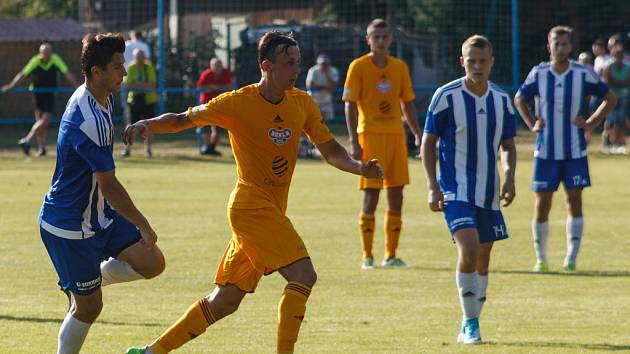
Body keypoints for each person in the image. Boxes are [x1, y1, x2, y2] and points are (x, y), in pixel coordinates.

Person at [123, 31, 383, 354]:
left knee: (225, 301)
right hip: (249, 207)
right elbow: (181, 120)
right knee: (304, 274)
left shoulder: (301, 103)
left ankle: (151, 352)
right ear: (267, 65)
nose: (296, 69)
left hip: (269, 210)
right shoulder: (237, 102)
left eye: (298, 62)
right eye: (289, 63)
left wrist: (360, 168)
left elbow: (330, 151)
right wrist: (147, 123)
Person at [39, 33, 165, 354]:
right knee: (90, 309)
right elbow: (109, 186)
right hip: (69, 226)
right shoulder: (88, 117)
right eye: (117, 67)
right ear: (97, 71)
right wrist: (144, 224)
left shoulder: (100, 96)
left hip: (98, 216)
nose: (124, 73)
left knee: (153, 262)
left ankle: (91, 280)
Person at [421, 35, 516, 345]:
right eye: (471, 61)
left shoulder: (502, 99)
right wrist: (432, 186)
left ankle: (470, 317)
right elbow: (427, 142)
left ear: (492, 62)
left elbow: (508, 145)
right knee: (470, 248)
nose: (477, 66)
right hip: (454, 190)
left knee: (484, 259)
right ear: (462, 62)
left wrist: (510, 175)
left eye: (482, 61)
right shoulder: (446, 95)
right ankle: (471, 324)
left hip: (488, 192)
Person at [514, 26, 617, 273]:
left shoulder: (583, 73)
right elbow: (519, 98)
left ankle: (571, 259)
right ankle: (541, 259)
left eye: (564, 44)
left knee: (575, 201)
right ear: (548, 47)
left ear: (570, 47)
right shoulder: (539, 73)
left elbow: (610, 98)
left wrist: (591, 122)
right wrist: (531, 123)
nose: (559, 48)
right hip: (546, 151)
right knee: (542, 204)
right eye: (555, 44)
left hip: (574, 151)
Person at [343, 18, 422, 270]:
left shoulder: (399, 67)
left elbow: (407, 103)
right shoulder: (358, 66)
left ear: (391, 38)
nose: (380, 41)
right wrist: (354, 140)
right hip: (371, 136)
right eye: (375, 37)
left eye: (384, 36)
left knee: (397, 195)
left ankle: (391, 255)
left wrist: (417, 134)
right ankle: (367, 256)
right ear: (368, 40)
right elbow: (349, 104)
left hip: (396, 137)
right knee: (371, 195)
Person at [2, 43, 79, 156]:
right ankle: (41, 148)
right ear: (40, 53)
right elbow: (22, 74)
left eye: (48, 52)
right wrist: (11, 86)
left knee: (45, 120)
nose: (46, 55)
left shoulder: (55, 59)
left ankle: (27, 140)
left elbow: (67, 73)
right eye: (44, 53)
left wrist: (78, 87)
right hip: (37, 94)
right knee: (40, 122)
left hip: (49, 93)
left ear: (51, 53)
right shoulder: (35, 61)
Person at [122, 48, 159, 157]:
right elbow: (127, 84)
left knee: (149, 126)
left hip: (148, 100)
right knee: (130, 125)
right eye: (138, 57)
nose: (140, 59)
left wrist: (136, 84)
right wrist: (144, 85)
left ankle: (148, 149)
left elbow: (153, 84)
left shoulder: (149, 67)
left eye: (142, 57)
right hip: (134, 100)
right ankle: (127, 148)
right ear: (134, 58)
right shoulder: (130, 67)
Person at [196, 58, 233, 155]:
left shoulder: (226, 73)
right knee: (206, 126)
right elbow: (202, 88)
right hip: (206, 104)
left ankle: (211, 147)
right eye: (215, 66)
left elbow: (228, 87)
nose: (218, 68)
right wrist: (218, 88)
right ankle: (206, 148)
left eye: (219, 66)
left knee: (218, 127)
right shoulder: (207, 74)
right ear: (211, 67)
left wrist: (214, 88)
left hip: (221, 105)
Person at [603, 43, 629, 154]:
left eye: (620, 55)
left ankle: (616, 143)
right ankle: (607, 143)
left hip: (623, 97)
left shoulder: (627, 68)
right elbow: (608, 81)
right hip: (610, 98)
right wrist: (619, 83)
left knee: (619, 121)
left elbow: (627, 81)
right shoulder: (608, 67)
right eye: (616, 55)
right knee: (609, 121)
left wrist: (617, 82)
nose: (618, 57)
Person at [306, 53, 339, 122]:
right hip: (313, 98)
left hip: (326, 98)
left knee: (327, 119)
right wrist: (325, 87)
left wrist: (326, 74)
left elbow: (333, 86)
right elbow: (309, 85)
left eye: (325, 63)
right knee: (311, 118)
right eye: (322, 63)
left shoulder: (333, 71)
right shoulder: (313, 70)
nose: (324, 65)